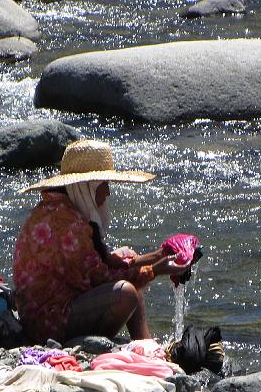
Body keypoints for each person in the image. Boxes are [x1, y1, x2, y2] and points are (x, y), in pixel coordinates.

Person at [14, 140, 189, 345]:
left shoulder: (59, 208)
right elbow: (100, 277)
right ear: (87, 187)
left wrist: (158, 255)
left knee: (126, 255)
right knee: (126, 293)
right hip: (48, 322)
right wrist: (154, 270)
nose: (108, 192)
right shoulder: (67, 223)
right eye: (104, 185)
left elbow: (99, 262)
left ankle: (144, 342)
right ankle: (106, 345)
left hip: (47, 309)